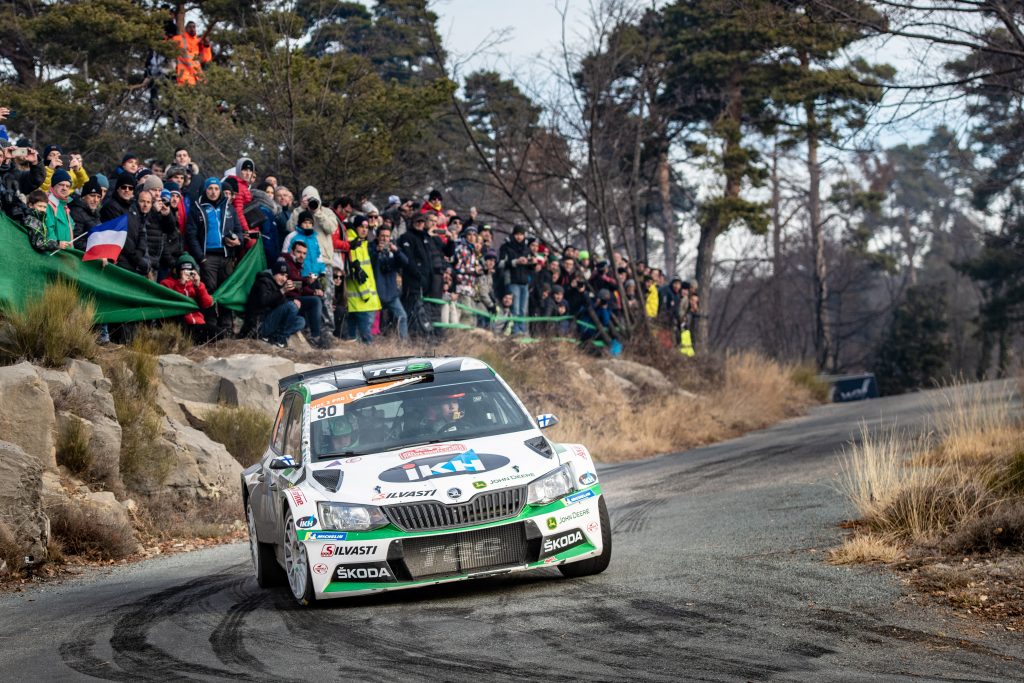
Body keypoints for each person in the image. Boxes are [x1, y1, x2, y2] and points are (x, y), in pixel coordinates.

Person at [241, 257, 306, 347]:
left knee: (300, 320)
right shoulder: (262, 282)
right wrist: (282, 291)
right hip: (258, 326)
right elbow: (264, 301)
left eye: (286, 276)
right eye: (281, 274)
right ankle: (280, 339)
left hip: (270, 322)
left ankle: (274, 337)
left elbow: (280, 306)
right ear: (274, 273)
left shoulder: (277, 285)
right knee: (291, 306)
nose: (284, 279)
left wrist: (292, 301)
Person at [158, 254, 217, 342]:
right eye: (184, 270)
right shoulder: (166, 283)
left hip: (197, 323)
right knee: (179, 317)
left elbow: (207, 303)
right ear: (177, 271)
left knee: (219, 333)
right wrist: (181, 284)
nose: (188, 273)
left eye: (190, 270)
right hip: (179, 324)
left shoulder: (196, 284)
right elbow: (172, 304)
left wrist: (198, 285)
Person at [282, 240, 329, 348]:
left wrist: (313, 291)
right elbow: (291, 282)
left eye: (304, 253)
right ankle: (315, 336)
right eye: (299, 252)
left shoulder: (296, 265)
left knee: (316, 298)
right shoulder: (285, 260)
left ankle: (314, 333)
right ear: (292, 251)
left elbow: (298, 286)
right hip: (285, 300)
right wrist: (306, 281)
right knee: (315, 301)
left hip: (294, 298)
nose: (301, 256)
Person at [343, 214, 381, 343]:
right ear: (355, 227)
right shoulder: (355, 245)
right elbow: (357, 274)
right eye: (361, 226)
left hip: (360, 300)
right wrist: (367, 295)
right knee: (366, 339)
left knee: (353, 338)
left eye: (366, 227)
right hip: (363, 300)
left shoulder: (362, 243)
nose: (364, 230)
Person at [369, 224, 409, 341]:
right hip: (375, 292)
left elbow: (405, 262)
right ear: (377, 237)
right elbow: (368, 264)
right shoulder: (371, 247)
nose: (385, 239)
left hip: (391, 292)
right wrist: (376, 252)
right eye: (382, 236)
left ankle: (403, 344)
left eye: (387, 236)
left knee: (402, 316)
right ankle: (367, 343)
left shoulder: (393, 248)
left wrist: (396, 251)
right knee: (370, 321)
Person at [498, 224, 532, 334]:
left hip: (524, 282)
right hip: (512, 281)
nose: (519, 237)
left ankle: (522, 331)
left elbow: (531, 264)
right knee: (515, 309)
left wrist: (531, 262)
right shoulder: (506, 246)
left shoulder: (527, 248)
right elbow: (500, 263)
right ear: (513, 235)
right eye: (517, 234)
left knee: (523, 310)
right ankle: (515, 331)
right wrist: (515, 262)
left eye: (521, 234)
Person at [43, 168, 75, 252]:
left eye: (67, 186)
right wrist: (56, 245)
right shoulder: (48, 204)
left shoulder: (65, 207)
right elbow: (49, 231)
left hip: (66, 255)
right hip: (55, 254)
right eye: (61, 184)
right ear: (53, 185)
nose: (64, 188)